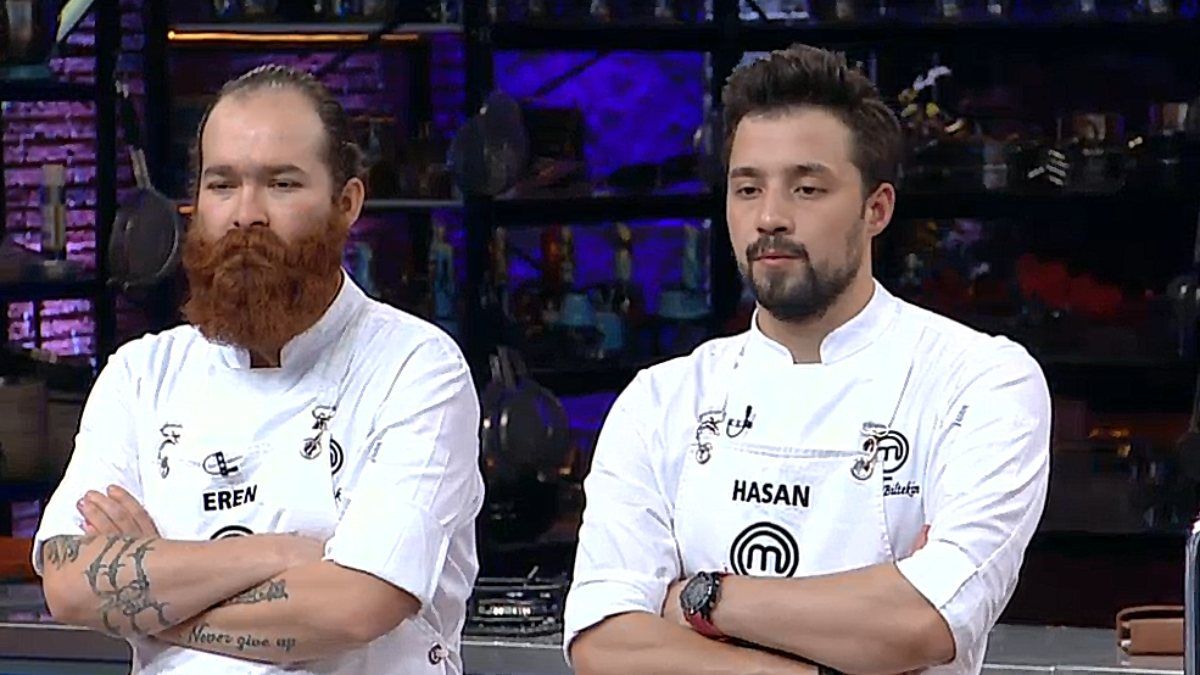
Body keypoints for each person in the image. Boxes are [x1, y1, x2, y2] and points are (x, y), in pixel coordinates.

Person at [563, 44, 1050, 675]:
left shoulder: (979, 382)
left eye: (807, 188)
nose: (769, 217)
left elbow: (924, 622)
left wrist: (697, 599)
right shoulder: (661, 400)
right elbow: (605, 641)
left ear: (877, 209)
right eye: (747, 189)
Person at [33, 64, 484, 675]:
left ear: (346, 204)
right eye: (222, 184)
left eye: (282, 183)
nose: (246, 214)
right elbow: (69, 585)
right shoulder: (142, 375)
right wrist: (279, 555)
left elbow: (356, 606)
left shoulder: (416, 369)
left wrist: (151, 594)